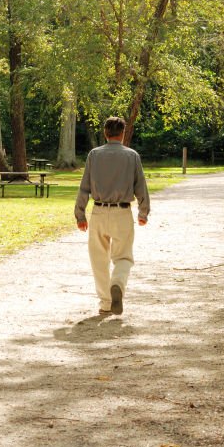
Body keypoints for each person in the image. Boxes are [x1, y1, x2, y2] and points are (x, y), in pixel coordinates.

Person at [74, 116, 150, 315]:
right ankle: (117, 283)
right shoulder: (132, 156)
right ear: (123, 134)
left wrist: (80, 215)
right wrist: (143, 212)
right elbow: (140, 186)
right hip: (122, 212)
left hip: (98, 212)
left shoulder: (94, 155)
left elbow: (84, 188)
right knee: (123, 257)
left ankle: (106, 302)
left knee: (98, 259)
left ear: (105, 133)